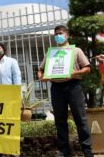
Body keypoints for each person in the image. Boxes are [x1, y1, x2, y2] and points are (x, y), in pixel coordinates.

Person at [38, 25, 93, 157]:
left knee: (80, 118)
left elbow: (87, 68)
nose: (58, 36)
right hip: (56, 88)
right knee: (60, 120)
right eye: (56, 34)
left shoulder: (76, 51)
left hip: (74, 86)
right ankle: (64, 150)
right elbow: (40, 69)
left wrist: (75, 73)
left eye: (60, 33)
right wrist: (41, 76)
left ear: (67, 35)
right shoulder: (50, 53)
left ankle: (87, 150)